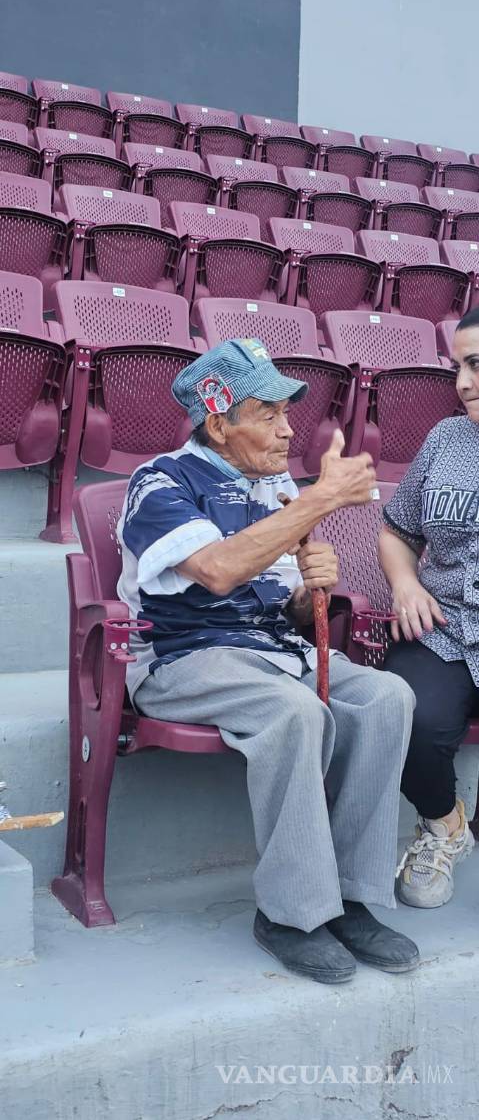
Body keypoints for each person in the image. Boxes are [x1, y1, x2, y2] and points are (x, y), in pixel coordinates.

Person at [117, 337, 418, 984]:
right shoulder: (161, 482)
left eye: (288, 413)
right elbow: (218, 571)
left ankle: (352, 894)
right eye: (267, 413)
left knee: (388, 695)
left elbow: (282, 609)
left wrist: (311, 585)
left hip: (268, 654)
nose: (287, 430)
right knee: (293, 710)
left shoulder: (274, 488)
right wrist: (321, 500)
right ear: (218, 421)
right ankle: (293, 913)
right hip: (183, 657)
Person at [379, 307, 479, 909]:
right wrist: (405, 584)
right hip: (442, 626)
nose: (465, 382)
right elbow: (395, 530)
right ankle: (444, 823)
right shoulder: (445, 439)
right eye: (459, 367)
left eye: (478, 365)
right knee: (408, 717)